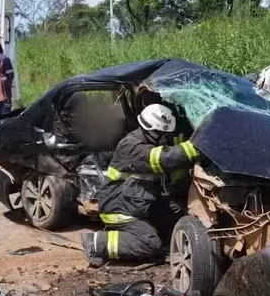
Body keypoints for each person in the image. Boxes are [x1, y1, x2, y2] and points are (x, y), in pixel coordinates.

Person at [82, 103, 200, 267]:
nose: (166, 138)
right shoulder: (132, 147)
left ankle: (144, 235)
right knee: (150, 244)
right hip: (119, 208)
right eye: (164, 134)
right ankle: (97, 243)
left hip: (139, 202)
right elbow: (165, 160)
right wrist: (196, 145)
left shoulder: (147, 142)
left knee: (180, 214)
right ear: (153, 131)